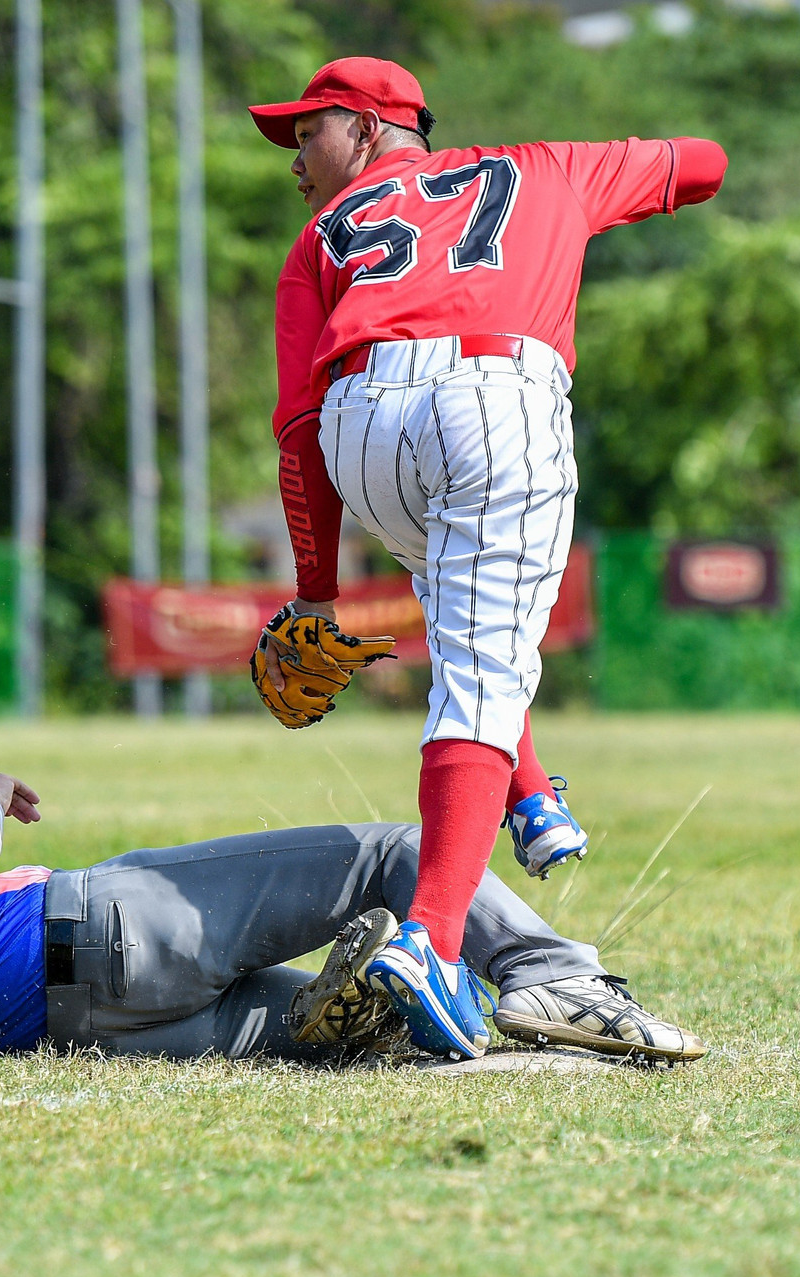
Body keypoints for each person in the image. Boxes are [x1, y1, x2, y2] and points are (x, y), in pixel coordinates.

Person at [244, 58, 726, 1057]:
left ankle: (531, 795)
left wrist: (315, 596)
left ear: (369, 128)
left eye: (308, 131)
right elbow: (707, 163)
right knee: (483, 663)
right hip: (492, 403)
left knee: (472, 623)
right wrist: (639, 174)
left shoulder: (318, 238)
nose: (295, 157)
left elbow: (297, 432)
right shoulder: (543, 166)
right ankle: (431, 939)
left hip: (364, 431)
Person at [0, 775, 705, 1064]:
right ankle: (556, 976)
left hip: (92, 1030)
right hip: (107, 929)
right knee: (392, 852)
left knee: (357, 1039)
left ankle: (383, 1003)